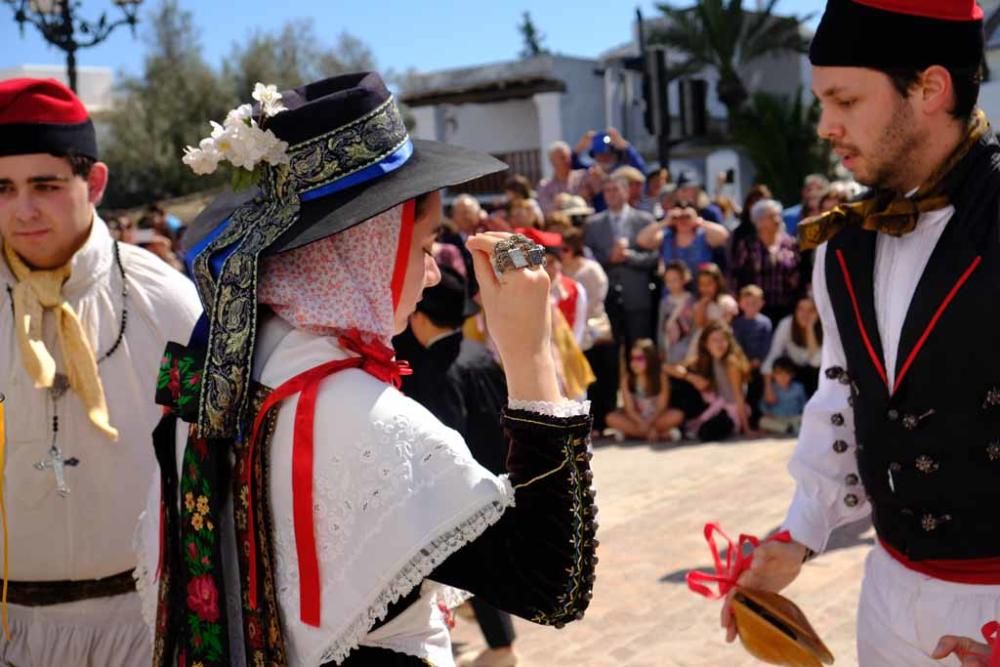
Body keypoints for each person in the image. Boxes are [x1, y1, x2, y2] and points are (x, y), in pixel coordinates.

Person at [138, 73, 597, 667]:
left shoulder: (212, 378)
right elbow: (553, 583)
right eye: (425, 243)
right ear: (367, 247)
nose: (432, 273)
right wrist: (532, 354)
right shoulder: (369, 423)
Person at [719, 3, 1000, 665]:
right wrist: (803, 529)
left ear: (931, 88)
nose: (825, 126)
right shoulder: (843, 243)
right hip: (888, 593)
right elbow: (844, 394)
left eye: (844, 99)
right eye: (821, 101)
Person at [0, 78, 201, 665]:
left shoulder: (164, 301)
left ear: (96, 182)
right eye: (3, 188)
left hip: (140, 626)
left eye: (46, 185)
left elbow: (205, 462)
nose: (23, 209)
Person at [392, 266, 519, 667]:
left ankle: (501, 649)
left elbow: (446, 441)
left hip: (469, 486)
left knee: (473, 561)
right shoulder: (477, 352)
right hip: (499, 471)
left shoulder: (437, 369)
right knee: (482, 562)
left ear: (418, 318)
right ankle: (488, 631)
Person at [583, 176, 659, 347]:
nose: (611, 195)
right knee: (610, 353)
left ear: (626, 192)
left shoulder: (644, 220)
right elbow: (588, 258)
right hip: (606, 297)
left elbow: (655, 257)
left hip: (637, 296)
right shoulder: (593, 224)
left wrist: (629, 256)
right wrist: (609, 257)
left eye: (615, 190)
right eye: (607, 191)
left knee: (640, 347)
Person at [560, 227, 616, 436]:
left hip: (593, 332)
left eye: (565, 249)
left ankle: (601, 422)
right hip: (569, 334)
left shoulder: (591, 269)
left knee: (599, 378)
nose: (561, 254)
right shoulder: (560, 271)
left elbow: (596, 300)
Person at [664, 321, 751, 441]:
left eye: (723, 339)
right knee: (680, 383)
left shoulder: (731, 363)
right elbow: (667, 367)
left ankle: (685, 430)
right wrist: (690, 377)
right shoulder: (705, 359)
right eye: (714, 340)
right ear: (706, 344)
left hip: (731, 411)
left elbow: (738, 396)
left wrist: (746, 429)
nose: (720, 344)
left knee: (708, 431)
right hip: (714, 405)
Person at [731, 198, 803, 325]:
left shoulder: (790, 243)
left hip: (786, 308)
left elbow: (798, 271)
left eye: (778, 216)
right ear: (759, 221)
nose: (777, 220)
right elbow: (736, 276)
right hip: (756, 310)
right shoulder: (748, 245)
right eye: (771, 216)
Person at [636, 200, 730, 281]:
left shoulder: (703, 236)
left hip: (702, 291)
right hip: (674, 294)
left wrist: (699, 221)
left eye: (687, 217)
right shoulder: (666, 237)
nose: (683, 220)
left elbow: (724, 236)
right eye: (678, 218)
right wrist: (665, 221)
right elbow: (641, 240)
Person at [605, 338, 676, 442]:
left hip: (656, 417)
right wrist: (644, 425)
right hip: (636, 420)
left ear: (650, 359)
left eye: (639, 358)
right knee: (610, 418)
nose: (634, 362)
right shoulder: (627, 379)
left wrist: (648, 424)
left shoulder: (660, 377)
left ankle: (634, 434)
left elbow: (662, 407)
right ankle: (657, 434)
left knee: (677, 415)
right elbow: (629, 409)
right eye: (632, 358)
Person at [761, 295, 822, 398]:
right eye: (801, 309)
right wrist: (768, 387)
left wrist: (810, 328)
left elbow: (816, 362)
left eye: (810, 310)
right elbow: (774, 353)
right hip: (792, 372)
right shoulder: (786, 324)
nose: (805, 314)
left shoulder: (823, 327)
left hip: (814, 375)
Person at [732, 285, 773, 430]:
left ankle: (758, 420)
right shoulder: (738, 323)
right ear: (741, 304)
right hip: (743, 366)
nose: (751, 306)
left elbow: (767, 344)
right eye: (747, 303)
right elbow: (737, 344)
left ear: (762, 303)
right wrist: (746, 362)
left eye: (755, 303)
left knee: (758, 393)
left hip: (760, 366)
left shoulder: (765, 322)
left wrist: (759, 360)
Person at [657, 260, 696, 365]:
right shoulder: (664, 302)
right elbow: (661, 326)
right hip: (669, 347)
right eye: (668, 281)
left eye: (675, 280)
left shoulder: (691, 300)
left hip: (688, 348)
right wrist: (661, 348)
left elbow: (694, 326)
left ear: (684, 279)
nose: (671, 284)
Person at [758, 356, 807, 436]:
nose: (783, 377)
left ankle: (790, 428)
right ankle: (788, 429)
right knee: (762, 421)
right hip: (777, 418)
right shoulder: (771, 389)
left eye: (786, 373)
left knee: (804, 419)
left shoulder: (798, 388)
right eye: (779, 373)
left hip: (794, 417)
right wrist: (767, 413)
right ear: (773, 375)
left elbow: (805, 405)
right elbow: (763, 405)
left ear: (792, 374)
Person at [536, 141, 586, 215]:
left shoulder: (584, 177)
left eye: (568, 157)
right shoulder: (544, 186)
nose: (567, 161)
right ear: (552, 161)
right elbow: (545, 211)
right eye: (562, 158)